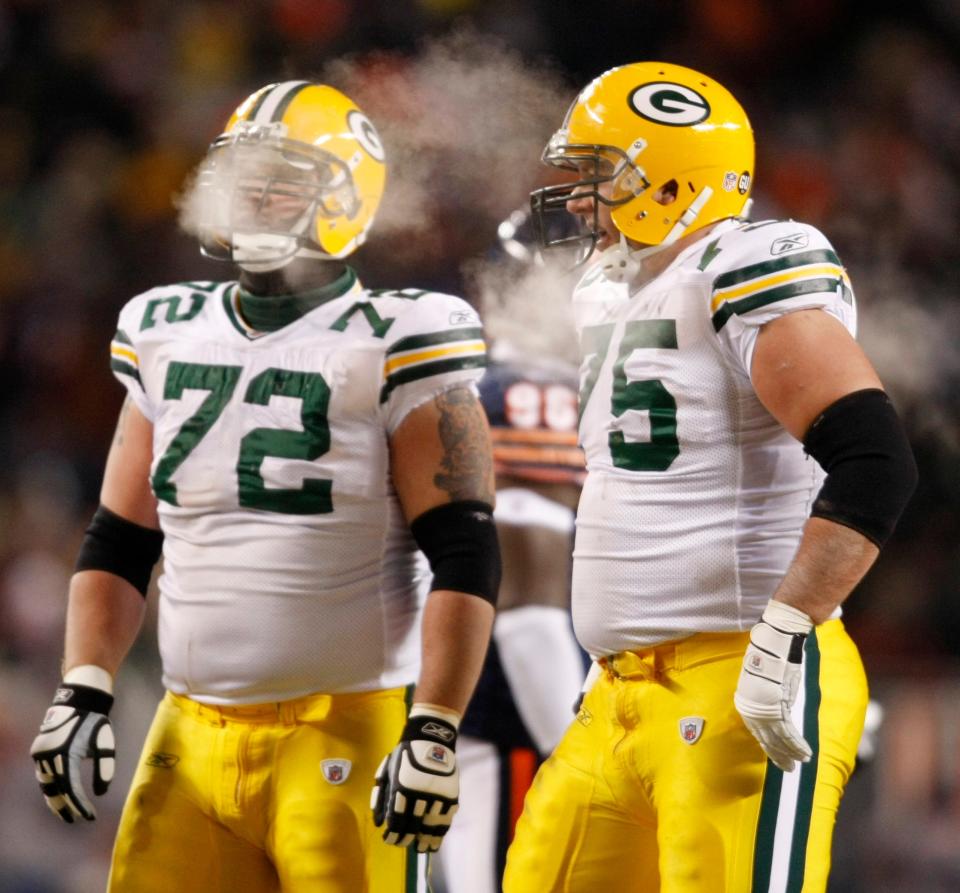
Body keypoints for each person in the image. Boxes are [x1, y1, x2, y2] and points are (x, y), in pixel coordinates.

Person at [29, 80, 500, 893]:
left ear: (346, 197)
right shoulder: (163, 326)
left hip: (344, 729)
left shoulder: (400, 336)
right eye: (242, 174)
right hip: (188, 728)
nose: (251, 196)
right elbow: (120, 536)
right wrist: (83, 684)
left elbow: (464, 549)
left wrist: (435, 725)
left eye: (281, 178)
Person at [502, 61, 918, 892]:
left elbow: (876, 461)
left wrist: (784, 631)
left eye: (599, 176)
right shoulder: (613, 296)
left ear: (667, 180)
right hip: (615, 692)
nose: (579, 200)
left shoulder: (749, 261)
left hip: (735, 675)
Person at [433, 343, 587, 893]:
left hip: (481, 725)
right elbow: (530, 628)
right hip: (520, 732)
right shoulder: (528, 516)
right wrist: (578, 759)